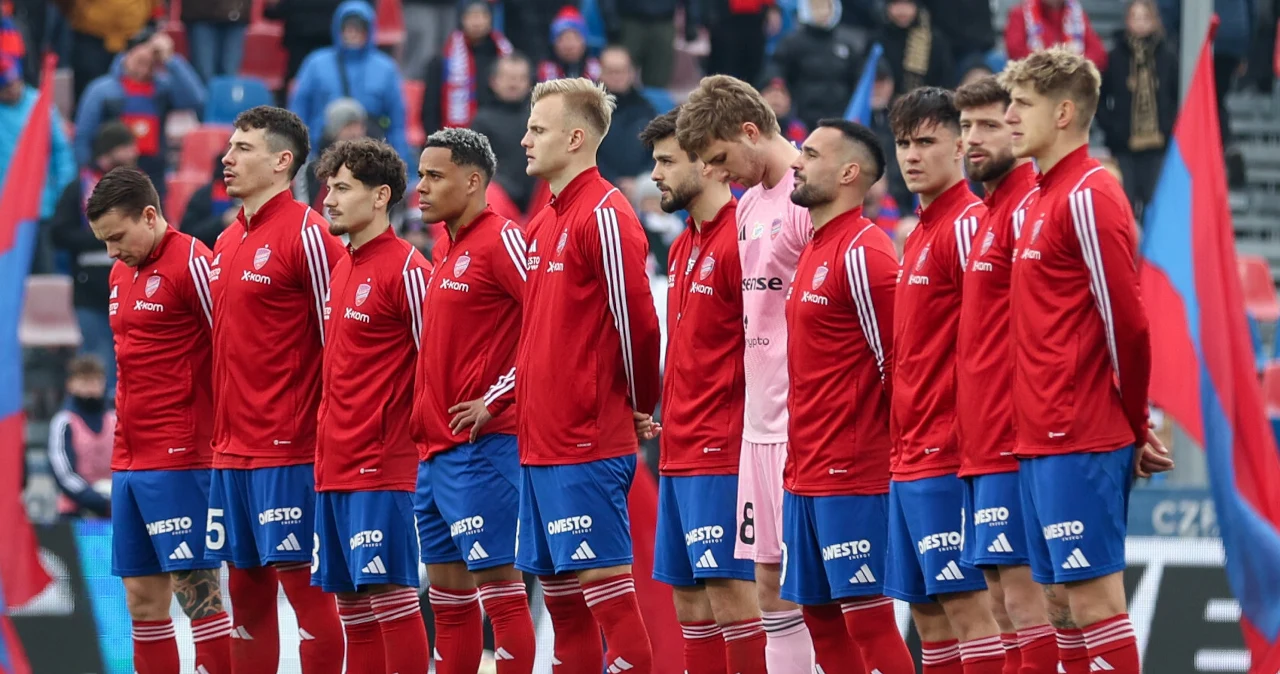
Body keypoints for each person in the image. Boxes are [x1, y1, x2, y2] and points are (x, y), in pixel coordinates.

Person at [1000, 46, 1170, 674]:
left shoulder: (1091, 194)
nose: (1010, 116)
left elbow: (1129, 323)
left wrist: (1136, 422)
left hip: (1079, 432)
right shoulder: (1035, 199)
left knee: (1094, 603)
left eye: (1023, 104)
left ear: (1064, 113)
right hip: (1036, 435)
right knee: (1060, 607)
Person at [515, 77, 662, 674]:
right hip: (538, 444)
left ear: (575, 138)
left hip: (586, 441)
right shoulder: (542, 223)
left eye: (538, 130)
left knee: (611, 609)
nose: (525, 141)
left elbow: (639, 325)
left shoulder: (605, 215)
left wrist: (640, 403)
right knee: (564, 612)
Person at [675, 74, 817, 674]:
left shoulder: (807, 194)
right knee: (769, 590)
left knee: (833, 595)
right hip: (759, 428)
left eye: (719, 157)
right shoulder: (750, 204)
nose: (716, 173)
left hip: (805, 426)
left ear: (751, 131)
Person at [205, 106, 345, 674]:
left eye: (243, 148)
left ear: (282, 161)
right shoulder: (224, 240)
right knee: (245, 598)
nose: (227, 158)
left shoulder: (312, 235)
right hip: (230, 451)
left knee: (308, 596)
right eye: (229, 146)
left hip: (290, 450)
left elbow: (343, 341)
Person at [782, 118, 915, 674]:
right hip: (803, 471)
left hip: (852, 472)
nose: (796, 162)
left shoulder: (866, 251)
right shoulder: (814, 248)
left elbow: (898, 366)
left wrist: (890, 459)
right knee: (819, 620)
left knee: (867, 620)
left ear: (848, 173)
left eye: (811, 154)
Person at [85, 167, 231, 674]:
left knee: (199, 597)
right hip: (129, 458)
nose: (111, 251)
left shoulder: (193, 261)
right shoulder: (119, 273)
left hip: (181, 457)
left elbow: (231, 350)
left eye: (117, 237)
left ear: (150, 215)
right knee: (142, 604)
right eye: (104, 241)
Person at [639, 108, 766, 674]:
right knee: (690, 607)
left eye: (667, 161)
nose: (656, 174)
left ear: (710, 164)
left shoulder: (743, 238)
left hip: (724, 451)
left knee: (733, 601)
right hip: (678, 450)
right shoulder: (682, 246)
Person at [884, 86, 1005, 674]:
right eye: (904, 142)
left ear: (960, 146)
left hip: (949, 454)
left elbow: (990, 342)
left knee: (970, 614)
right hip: (908, 454)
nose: (912, 155)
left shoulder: (968, 225)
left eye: (927, 141)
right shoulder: (918, 233)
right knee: (930, 620)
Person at [411, 127, 536, 674]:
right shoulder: (444, 247)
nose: (420, 187)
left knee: (501, 598)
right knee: (447, 602)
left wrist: (497, 397)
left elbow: (550, 322)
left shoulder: (503, 239)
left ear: (473, 180)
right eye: (421, 175)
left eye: (434, 176)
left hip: (485, 448)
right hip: (436, 451)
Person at [310, 138, 431, 674]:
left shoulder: (408, 268)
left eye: (342, 188)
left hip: (382, 466)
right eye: (327, 188)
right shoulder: (341, 268)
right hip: (332, 465)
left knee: (391, 601)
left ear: (380, 196)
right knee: (352, 612)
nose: (329, 200)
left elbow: (436, 364)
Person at [953, 76, 1056, 674]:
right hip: (979, 437)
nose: (973, 138)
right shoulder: (990, 211)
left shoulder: (1024, 208)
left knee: (1024, 599)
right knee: (998, 600)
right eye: (966, 126)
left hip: (1013, 437)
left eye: (989, 125)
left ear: (1017, 127)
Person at [49, 121, 139, 400]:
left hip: (131, 288)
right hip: (90, 291)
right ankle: (88, 417)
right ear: (108, 152)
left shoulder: (137, 189)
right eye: (126, 147)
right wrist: (102, 236)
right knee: (96, 360)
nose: (133, 153)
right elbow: (59, 233)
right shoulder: (78, 188)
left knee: (129, 362)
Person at [74, 27, 206, 201]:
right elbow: (84, 135)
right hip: (112, 172)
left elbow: (196, 100)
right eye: (140, 61)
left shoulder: (163, 89)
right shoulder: (101, 91)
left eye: (151, 64)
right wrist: (86, 174)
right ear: (126, 56)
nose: (144, 70)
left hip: (153, 174)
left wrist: (171, 60)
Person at [289, 0, 413, 168]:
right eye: (348, 28)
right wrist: (303, 154)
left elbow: (397, 121)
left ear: (369, 31)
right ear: (338, 29)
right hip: (323, 148)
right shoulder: (316, 64)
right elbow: (299, 111)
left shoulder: (386, 69)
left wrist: (401, 161)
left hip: (371, 150)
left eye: (359, 29)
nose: (353, 34)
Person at [47, 355, 114, 520]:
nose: (90, 387)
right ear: (71, 384)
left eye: (95, 381)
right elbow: (63, 473)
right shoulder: (63, 422)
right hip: (75, 512)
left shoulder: (115, 419)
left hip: (114, 509)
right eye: (84, 381)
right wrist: (95, 499)